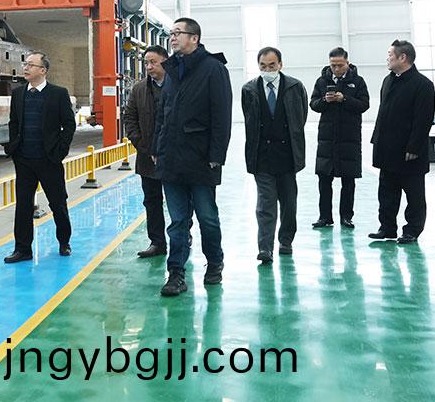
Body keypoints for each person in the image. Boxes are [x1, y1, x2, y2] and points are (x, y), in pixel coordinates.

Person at [152, 17, 232, 297]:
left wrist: (216, 155)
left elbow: (222, 116)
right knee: (177, 221)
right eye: (171, 33)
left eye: (178, 33)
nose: (172, 37)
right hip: (171, 159)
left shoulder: (213, 69)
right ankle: (176, 273)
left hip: (201, 159)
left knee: (207, 217)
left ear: (194, 38)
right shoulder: (171, 69)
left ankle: (215, 262)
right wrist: (157, 149)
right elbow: (163, 114)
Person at [3, 52, 77, 263]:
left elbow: (69, 125)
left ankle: (64, 242)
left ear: (43, 70)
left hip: (49, 159)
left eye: (31, 65)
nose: (25, 68)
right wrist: (14, 148)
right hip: (24, 159)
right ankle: (23, 249)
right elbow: (14, 123)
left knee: (58, 203)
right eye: (25, 64)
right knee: (23, 206)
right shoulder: (18, 94)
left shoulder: (58, 94)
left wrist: (60, 151)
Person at [241, 47, 307, 265]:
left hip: (287, 155)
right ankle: (265, 248)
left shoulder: (295, 87)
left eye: (272, 65)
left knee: (289, 202)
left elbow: (301, 117)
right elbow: (249, 120)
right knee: (265, 204)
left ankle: (286, 240)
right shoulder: (249, 89)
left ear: (280, 64)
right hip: (262, 155)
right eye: (263, 65)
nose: (267, 69)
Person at [369, 39, 435, 244]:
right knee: (386, 192)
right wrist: (376, 140)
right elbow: (383, 114)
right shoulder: (388, 81)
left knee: (414, 194)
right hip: (387, 148)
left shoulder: (423, 85)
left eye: (390, 55)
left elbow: (423, 120)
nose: (387, 59)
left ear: (403, 57)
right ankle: (387, 228)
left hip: (409, 151)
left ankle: (412, 230)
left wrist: (414, 147)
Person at [310, 47, 370, 228]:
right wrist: (325, 100)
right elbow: (313, 104)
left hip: (349, 139)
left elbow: (364, 105)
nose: (336, 69)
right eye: (333, 65)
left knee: (348, 181)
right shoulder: (321, 81)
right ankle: (325, 217)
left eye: (340, 65)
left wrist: (344, 99)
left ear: (347, 63)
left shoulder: (358, 82)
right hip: (327, 139)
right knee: (324, 181)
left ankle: (346, 217)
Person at [121, 45, 169, 258]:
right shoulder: (139, 89)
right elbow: (129, 117)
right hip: (147, 157)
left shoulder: (178, 86)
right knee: (151, 200)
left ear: (165, 62)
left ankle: (182, 238)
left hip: (174, 157)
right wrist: (142, 145)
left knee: (180, 202)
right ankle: (157, 242)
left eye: (153, 62)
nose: (148, 67)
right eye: (146, 63)